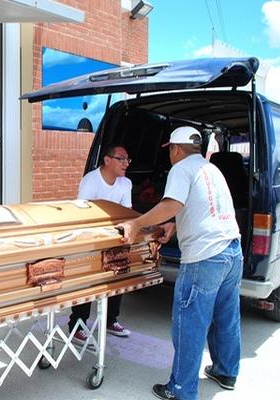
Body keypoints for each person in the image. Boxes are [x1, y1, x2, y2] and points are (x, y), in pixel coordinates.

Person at [117, 126, 242, 400]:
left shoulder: (180, 169)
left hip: (205, 256)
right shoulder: (211, 169)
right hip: (232, 251)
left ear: (175, 149)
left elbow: (171, 203)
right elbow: (204, 206)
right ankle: (225, 371)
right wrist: (174, 224)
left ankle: (181, 389)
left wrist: (136, 223)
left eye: (170, 150)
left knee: (190, 323)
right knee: (226, 316)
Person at [69, 145, 133, 344]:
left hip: (115, 237)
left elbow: (127, 212)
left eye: (127, 159)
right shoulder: (91, 180)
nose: (126, 164)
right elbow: (82, 213)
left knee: (118, 274)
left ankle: (110, 320)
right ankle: (77, 326)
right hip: (91, 238)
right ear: (107, 160)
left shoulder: (126, 183)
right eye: (121, 159)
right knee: (88, 282)